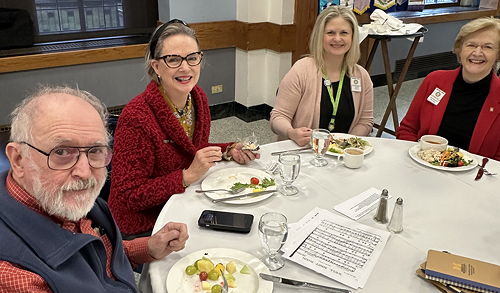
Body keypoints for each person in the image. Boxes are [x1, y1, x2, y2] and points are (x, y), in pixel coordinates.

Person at [0, 86, 189, 292]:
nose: (84, 171)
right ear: (18, 160)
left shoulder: (56, 199)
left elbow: (98, 253)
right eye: (62, 151)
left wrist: (149, 247)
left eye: (95, 150)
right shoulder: (14, 275)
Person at [108, 20, 259, 237]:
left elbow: (189, 150)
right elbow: (130, 195)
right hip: (146, 222)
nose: (185, 67)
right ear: (156, 67)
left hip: (183, 199)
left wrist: (228, 150)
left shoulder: (198, 98)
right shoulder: (136, 117)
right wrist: (185, 177)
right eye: (173, 59)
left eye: (192, 57)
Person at [397, 17, 500, 160]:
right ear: (460, 49)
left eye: (488, 47)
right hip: (422, 165)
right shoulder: (435, 80)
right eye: (471, 45)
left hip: (474, 177)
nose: (477, 52)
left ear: (498, 54)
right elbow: (408, 129)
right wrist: (418, 158)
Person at [270, 6, 373, 146]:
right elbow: (278, 117)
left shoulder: (362, 76)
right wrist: (291, 132)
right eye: (330, 32)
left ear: (353, 37)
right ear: (320, 36)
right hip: (304, 152)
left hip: (343, 155)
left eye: (344, 33)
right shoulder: (301, 70)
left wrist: (345, 145)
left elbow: (365, 121)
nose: (337, 39)